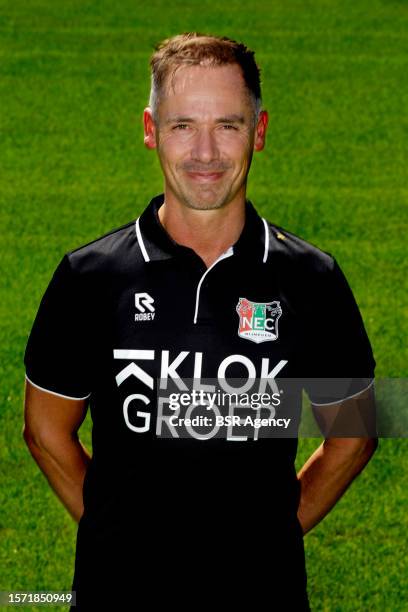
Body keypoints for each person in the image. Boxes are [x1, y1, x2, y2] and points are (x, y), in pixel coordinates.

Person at [23, 33, 378, 610]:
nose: (205, 153)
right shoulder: (87, 277)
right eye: (183, 125)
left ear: (259, 133)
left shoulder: (315, 278)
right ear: (149, 130)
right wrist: (119, 539)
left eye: (228, 125)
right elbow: (43, 431)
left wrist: (269, 540)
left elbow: (357, 433)